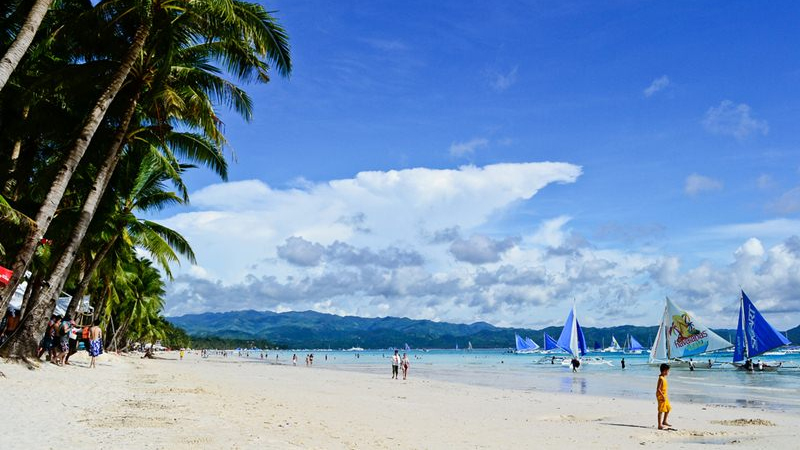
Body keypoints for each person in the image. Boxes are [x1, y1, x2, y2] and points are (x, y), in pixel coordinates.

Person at [656, 363, 672, 430]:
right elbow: (658, 389)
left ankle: (664, 421)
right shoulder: (661, 378)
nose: (668, 372)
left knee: (668, 408)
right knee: (661, 410)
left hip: (665, 395)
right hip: (661, 396)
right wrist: (662, 396)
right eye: (668, 371)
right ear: (664, 371)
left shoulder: (664, 378)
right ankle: (659, 425)